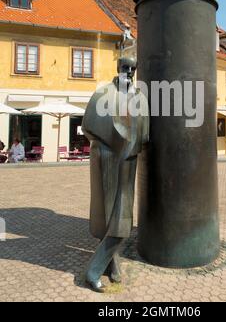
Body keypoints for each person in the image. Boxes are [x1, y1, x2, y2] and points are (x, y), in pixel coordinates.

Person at [82, 57, 149, 292]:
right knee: (110, 217)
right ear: (117, 69)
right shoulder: (103, 94)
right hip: (107, 158)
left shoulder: (140, 98)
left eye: (132, 69)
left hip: (128, 161)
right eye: (124, 68)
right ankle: (98, 270)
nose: (128, 72)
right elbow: (87, 126)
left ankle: (107, 265)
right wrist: (107, 144)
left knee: (121, 221)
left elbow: (145, 133)